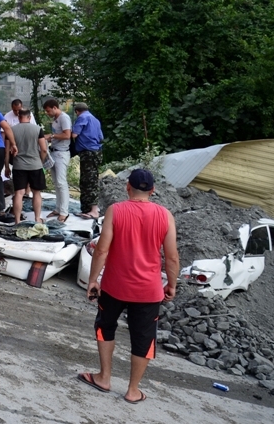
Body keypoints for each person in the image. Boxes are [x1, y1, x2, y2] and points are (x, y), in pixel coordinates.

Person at [78, 169, 179, 404]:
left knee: (106, 326)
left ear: (127, 187)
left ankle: (104, 377)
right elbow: (172, 257)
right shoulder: (165, 216)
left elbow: (102, 249)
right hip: (149, 291)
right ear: (152, 191)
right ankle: (133, 390)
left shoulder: (116, 210)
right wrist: (172, 285)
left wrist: (93, 280)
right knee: (144, 338)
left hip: (114, 286)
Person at [4, 109, 47, 225]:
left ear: (18, 117)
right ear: (29, 117)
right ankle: (37, 218)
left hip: (19, 166)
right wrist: (40, 161)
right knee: (36, 193)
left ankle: (17, 221)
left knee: (19, 193)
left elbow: (7, 150)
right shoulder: (37, 129)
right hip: (35, 165)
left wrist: (7, 166)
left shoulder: (11, 130)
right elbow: (44, 149)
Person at [72, 102, 104, 219]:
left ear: (77, 112)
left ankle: (94, 210)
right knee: (88, 180)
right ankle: (86, 209)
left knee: (89, 181)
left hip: (88, 152)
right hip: (96, 152)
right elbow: (101, 138)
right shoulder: (95, 120)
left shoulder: (82, 117)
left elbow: (74, 134)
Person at [42, 98, 71, 222]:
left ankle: (64, 211)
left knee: (61, 182)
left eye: (49, 111)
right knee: (56, 183)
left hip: (61, 153)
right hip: (53, 151)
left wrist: (52, 136)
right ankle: (58, 208)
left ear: (55, 107)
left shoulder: (64, 118)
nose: (48, 113)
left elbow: (67, 135)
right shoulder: (56, 119)